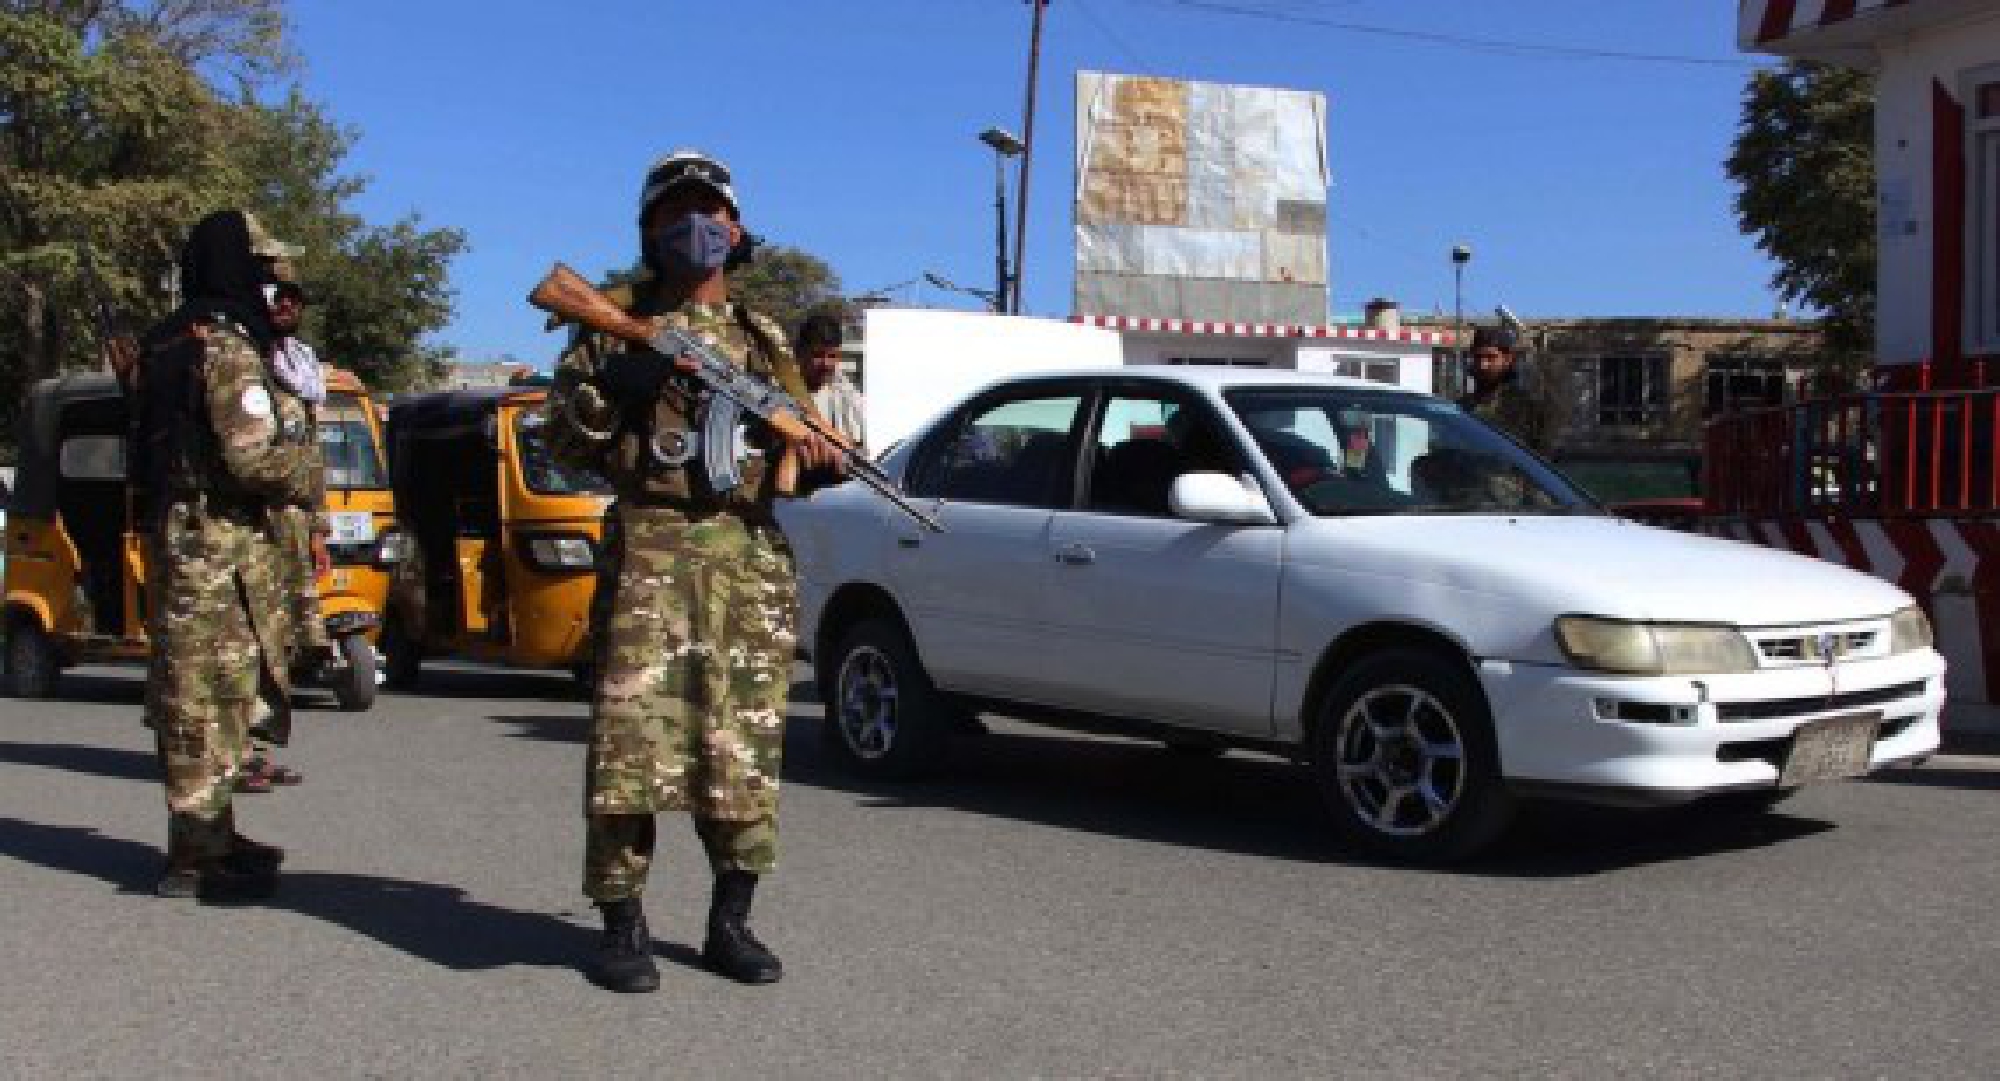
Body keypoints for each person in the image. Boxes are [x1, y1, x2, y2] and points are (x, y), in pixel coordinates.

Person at [544, 149, 842, 993]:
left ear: (737, 228)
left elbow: (798, 436)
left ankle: (731, 920)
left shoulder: (760, 337)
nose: (696, 225)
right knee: (628, 751)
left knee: (740, 750)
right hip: (648, 552)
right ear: (648, 230)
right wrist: (624, 385)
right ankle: (622, 923)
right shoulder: (608, 326)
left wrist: (816, 461)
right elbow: (565, 443)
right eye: (676, 212)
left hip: (745, 565)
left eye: (710, 210)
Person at [135, 210, 320, 899]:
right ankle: (193, 860)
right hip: (217, 547)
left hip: (184, 538)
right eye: (259, 264)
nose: (271, 278)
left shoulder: (169, 339)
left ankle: (213, 835)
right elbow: (249, 456)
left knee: (204, 694)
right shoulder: (227, 345)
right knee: (207, 697)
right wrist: (307, 469)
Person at [240, 279, 331, 792]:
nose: (288, 303)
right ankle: (239, 752)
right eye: (277, 293)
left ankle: (256, 745)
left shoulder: (301, 367)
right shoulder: (245, 363)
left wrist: (318, 530)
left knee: (280, 642)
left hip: (294, 527)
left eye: (297, 295)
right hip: (254, 525)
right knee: (249, 639)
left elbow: (312, 458)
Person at [1456, 325, 1558, 456]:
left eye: (1490, 357)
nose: (1483, 365)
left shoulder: (1528, 409)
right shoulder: (1461, 408)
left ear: (1508, 359)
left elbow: (1541, 462)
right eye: (1478, 357)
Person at [797, 311, 864, 450]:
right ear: (801, 353)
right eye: (818, 355)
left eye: (832, 356)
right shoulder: (782, 393)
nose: (826, 363)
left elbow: (857, 447)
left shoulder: (847, 398)